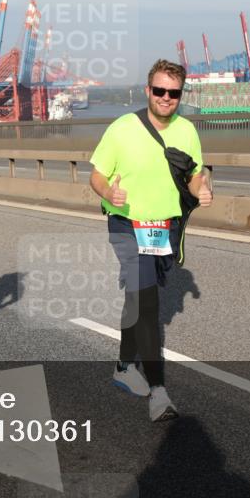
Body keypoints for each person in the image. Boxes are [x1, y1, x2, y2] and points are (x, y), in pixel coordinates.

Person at [89, 59, 212, 422]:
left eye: (173, 93)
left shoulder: (187, 131)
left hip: (164, 229)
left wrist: (202, 187)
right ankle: (158, 391)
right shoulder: (123, 128)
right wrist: (108, 192)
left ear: (180, 95)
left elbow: (192, 174)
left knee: (137, 298)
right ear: (148, 91)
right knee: (147, 300)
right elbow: (97, 175)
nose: (166, 98)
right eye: (159, 91)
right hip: (126, 223)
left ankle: (123, 366)